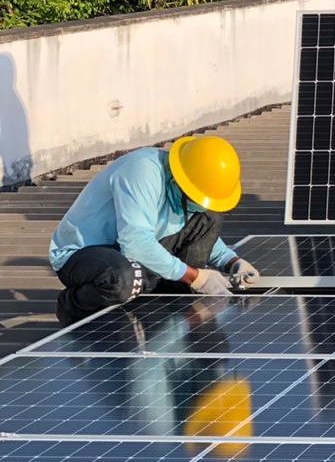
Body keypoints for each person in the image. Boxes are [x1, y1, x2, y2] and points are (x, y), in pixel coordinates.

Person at [48, 135, 259, 325]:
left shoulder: (183, 188)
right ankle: (71, 307)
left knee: (210, 217)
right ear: (180, 182)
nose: (199, 205)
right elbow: (135, 243)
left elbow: (196, 229)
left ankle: (162, 305)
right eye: (196, 198)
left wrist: (232, 262)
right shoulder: (142, 171)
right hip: (85, 253)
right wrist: (195, 276)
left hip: (133, 249)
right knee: (123, 279)